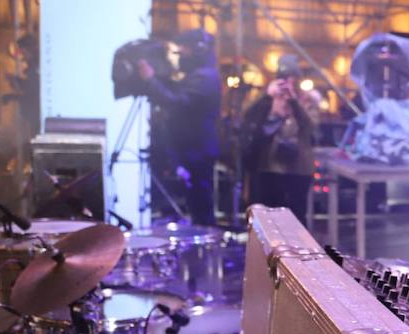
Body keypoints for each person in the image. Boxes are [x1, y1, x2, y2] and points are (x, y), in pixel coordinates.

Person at [136, 29, 222, 226]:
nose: (180, 54)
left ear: (197, 50)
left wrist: (150, 80)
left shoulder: (205, 78)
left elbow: (176, 102)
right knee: (196, 203)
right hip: (193, 149)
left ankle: (205, 246)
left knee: (200, 204)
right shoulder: (199, 76)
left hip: (197, 150)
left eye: (184, 50)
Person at [240, 57, 318, 225]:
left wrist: (294, 102)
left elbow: (310, 126)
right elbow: (248, 116)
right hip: (270, 166)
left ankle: (297, 251)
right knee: (270, 219)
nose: (287, 81)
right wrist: (267, 97)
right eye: (283, 76)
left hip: (298, 169)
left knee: (296, 218)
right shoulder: (268, 98)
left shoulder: (307, 99)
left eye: (291, 76)